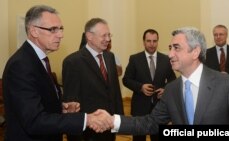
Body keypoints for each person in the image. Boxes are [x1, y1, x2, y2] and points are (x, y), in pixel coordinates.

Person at [91, 27, 229, 135]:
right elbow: (150, 123)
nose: (170, 54)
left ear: (195, 52)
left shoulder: (226, 85)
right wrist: (113, 121)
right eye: (170, 47)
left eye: (176, 48)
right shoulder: (172, 89)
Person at [2, 5, 111, 141]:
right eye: (53, 29)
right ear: (34, 31)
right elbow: (34, 121)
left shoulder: (38, 59)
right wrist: (86, 120)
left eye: (60, 29)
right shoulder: (20, 65)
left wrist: (61, 108)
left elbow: (36, 102)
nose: (61, 35)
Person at [62, 18, 124, 141]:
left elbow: (115, 91)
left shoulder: (109, 57)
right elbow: (72, 103)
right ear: (89, 36)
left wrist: (118, 120)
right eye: (104, 35)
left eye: (109, 35)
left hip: (109, 126)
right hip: (88, 131)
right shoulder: (73, 62)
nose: (108, 39)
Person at [122, 29, 176, 141]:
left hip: (160, 108)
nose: (152, 44)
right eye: (149, 41)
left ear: (158, 41)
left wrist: (165, 89)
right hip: (140, 107)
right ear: (143, 42)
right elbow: (126, 80)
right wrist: (140, 87)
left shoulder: (166, 59)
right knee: (139, 138)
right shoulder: (135, 59)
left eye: (154, 41)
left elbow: (172, 79)